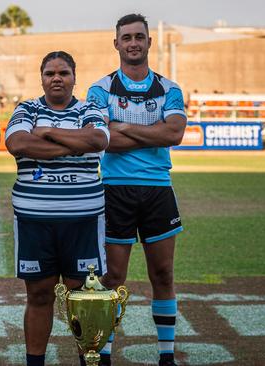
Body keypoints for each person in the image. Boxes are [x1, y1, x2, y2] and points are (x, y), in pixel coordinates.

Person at [86, 14, 187, 366]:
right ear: (116, 43)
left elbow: (174, 135)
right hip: (114, 190)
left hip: (158, 189)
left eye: (139, 37)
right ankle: (106, 353)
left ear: (148, 42)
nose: (133, 43)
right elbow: (102, 141)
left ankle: (166, 354)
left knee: (163, 274)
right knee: (113, 276)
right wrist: (149, 131)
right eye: (126, 37)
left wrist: (122, 127)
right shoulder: (100, 89)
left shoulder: (169, 89)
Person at [5, 51, 110, 366]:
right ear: (42, 77)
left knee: (85, 300)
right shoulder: (27, 108)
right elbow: (17, 143)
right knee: (39, 296)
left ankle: (88, 360)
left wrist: (48, 132)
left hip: (83, 221)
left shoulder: (89, 109)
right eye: (50, 73)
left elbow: (98, 139)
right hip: (35, 222)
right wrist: (73, 144)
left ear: (74, 76)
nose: (56, 78)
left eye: (63, 73)